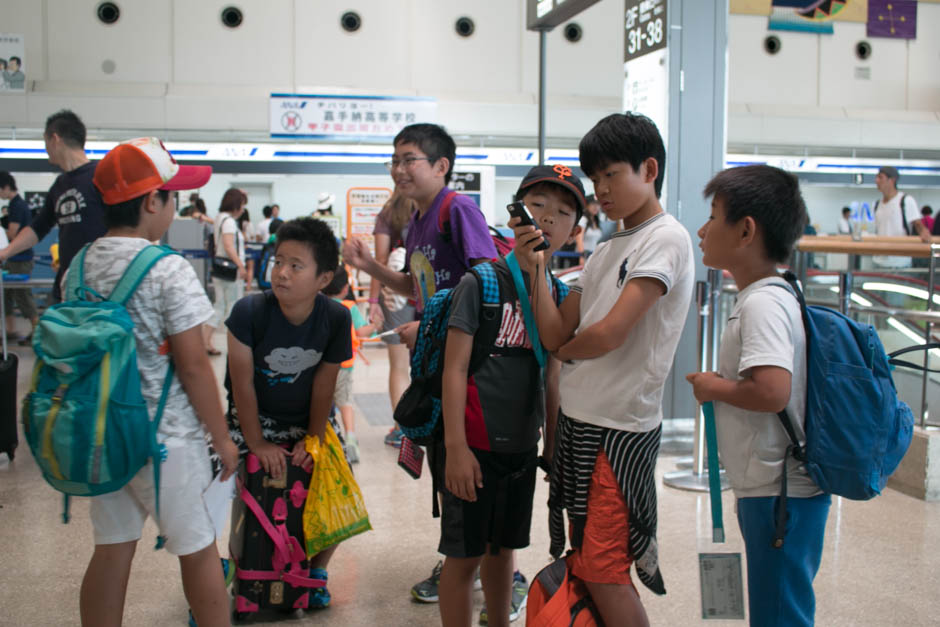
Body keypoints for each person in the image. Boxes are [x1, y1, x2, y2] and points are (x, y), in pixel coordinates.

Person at [511, 113, 694, 626]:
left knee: (605, 567)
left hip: (619, 430)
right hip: (580, 423)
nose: (602, 190)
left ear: (650, 169)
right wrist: (539, 269)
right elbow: (553, 336)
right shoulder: (607, 247)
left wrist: (568, 349)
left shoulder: (667, 238)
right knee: (590, 563)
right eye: (596, 179)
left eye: (612, 174)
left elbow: (611, 332)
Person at [71, 137, 237, 627]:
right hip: (166, 441)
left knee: (111, 550)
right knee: (199, 552)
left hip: (103, 434)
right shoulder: (168, 268)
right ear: (151, 202)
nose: (175, 208)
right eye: (173, 197)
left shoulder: (80, 264)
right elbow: (192, 366)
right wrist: (222, 438)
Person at [341, 123, 498, 603]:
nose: (399, 168)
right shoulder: (418, 221)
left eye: (409, 159)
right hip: (437, 361)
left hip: (469, 368)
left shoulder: (459, 210)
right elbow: (416, 286)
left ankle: (497, 574)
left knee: (471, 475)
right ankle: (461, 562)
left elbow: (488, 284)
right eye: (395, 159)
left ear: (440, 166)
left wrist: (432, 325)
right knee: (450, 475)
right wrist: (369, 267)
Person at [439, 164, 584, 627]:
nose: (547, 219)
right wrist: (456, 449)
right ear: (515, 213)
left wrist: (554, 447)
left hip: (521, 451)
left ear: (574, 231)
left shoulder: (559, 295)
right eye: (537, 205)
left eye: (562, 213)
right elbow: (455, 367)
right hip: (472, 450)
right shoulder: (480, 283)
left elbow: (554, 377)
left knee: (503, 553)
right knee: (463, 559)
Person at [686, 164, 829, 627]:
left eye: (713, 216)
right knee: (777, 608)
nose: (703, 229)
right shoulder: (779, 292)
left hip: (780, 492)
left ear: (746, 230)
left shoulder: (763, 302)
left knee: (778, 614)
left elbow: (771, 390)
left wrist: (713, 387)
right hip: (777, 488)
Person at [224, 216, 351, 609]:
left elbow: (324, 386)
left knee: (338, 490)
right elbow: (241, 384)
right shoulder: (249, 312)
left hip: (306, 422)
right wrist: (257, 442)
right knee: (218, 493)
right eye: (279, 261)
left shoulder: (335, 317)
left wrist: (313, 440)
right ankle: (226, 576)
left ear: (323, 278)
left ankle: (314, 572)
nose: (281, 273)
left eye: (296, 266)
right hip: (251, 420)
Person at [0, 110, 106, 302]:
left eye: (45, 142)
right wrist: (5, 253)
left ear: (55, 139)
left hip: (99, 286)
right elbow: (37, 228)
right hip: (68, 282)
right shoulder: (59, 185)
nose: (45, 148)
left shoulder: (101, 176)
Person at [369, 187, 418, 447]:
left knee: (399, 366)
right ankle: (425, 423)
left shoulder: (389, 214)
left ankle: (402, 429)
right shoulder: (429, 210)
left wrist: (373, 301)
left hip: (396, 298)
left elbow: (380, 259)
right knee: (427, 363)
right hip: (427, 293)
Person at [322, 266, 375, 463]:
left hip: (321, 365)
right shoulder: (349, 307)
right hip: (344, 365)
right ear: (345, 288)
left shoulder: (318, 304)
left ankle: (323, 440)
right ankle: (351, 437)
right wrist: (376, 325)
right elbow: (361, 332)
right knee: (344, 401)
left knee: (323, 400)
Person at [205, 188, 249, 356]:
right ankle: (236, 346)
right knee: (233, 307)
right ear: (236, 204)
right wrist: (241, 266)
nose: (243, 209)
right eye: (242, 205)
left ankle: (206, 340)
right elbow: (229, 246)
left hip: (220, 269)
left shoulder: (219, 218)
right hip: (231, 271)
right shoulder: (229, 221)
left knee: (219, 305)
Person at [0, 171, 38, 344]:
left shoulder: (17, 206)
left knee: (23, 296)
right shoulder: (17, 205)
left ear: (6, 187)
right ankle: (10, 330)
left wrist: (3, 232)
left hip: (20, 259)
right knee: (6, 295)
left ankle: (37, 332)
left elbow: (13, 234)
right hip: (14, 258)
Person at [872, 165, 928, 269]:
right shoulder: (877, 204)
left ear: (892, 180)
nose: (876, 180)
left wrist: (924, 232)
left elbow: (918, 224)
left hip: (899, 263)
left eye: (880, 177)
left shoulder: (905, 200)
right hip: (878, 261)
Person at [576, 193, 602, 262]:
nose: (596, 207)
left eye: (598, 204)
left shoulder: (596, 220)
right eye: (593, 204)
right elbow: (579, 238)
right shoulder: (583, 219)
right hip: (582, 256)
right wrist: (582, 256)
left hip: (592, 257)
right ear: (587, 205)